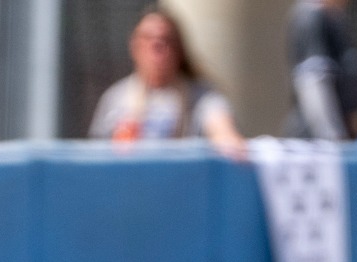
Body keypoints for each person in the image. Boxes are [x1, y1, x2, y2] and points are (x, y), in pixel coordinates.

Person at [88, 8, 247, 154]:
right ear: (134, 46)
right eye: (148, 38)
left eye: (165, 40)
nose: (157, 46)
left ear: (179, 49)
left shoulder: (201, 96)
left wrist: (227, 140)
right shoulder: (117, 97)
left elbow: (222, 128)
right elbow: (98, 152)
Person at [284, 0, 357, 139]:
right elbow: (312, 82)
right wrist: (331, 136)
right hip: (314, 139)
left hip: (341, 130)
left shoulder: (337, 18)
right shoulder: (310, 16)